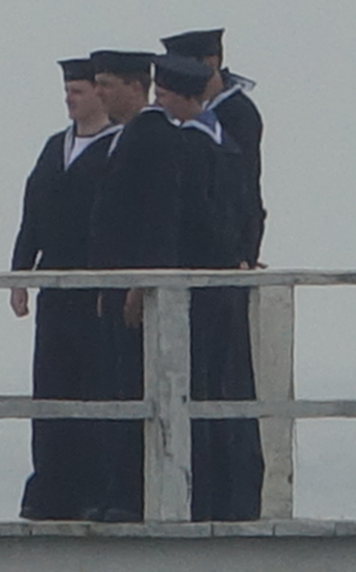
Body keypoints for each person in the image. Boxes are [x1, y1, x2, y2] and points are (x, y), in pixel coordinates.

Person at [153, 51, 264, 521]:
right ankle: (232, 498)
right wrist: (241, 253)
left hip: (198, 286)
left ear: (181, 98)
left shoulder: (187, 149)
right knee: (228, 388)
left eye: (162, 95)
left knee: (198, 387)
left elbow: (189, 218)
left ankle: (203, 496)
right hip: (227, 282)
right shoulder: (227, 145)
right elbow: (251, 208)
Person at [9, 56, 121, 521]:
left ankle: (93, 486)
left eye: (79, 90)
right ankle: (49, 486)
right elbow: (32, 211)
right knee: (51, 385)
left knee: (94, 385)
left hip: (94, 287)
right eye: (67, 91)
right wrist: (20, 273)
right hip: (54, 285)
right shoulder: (56, 146)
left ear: (99, 93)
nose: (70, 99)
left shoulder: (118, 145)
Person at [84, 48, 176, 523]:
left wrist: (141, 283)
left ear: (135, 87)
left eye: (106, 83)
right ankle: (117, 488)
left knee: (134, 387)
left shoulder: (154, 136)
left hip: (137, 287)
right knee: (116, 388)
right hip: (116, 281)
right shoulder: (124, 137)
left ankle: (133, 494)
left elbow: (157, 216)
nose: (98, 92)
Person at [160, 28, 265, 267]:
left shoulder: (236, 113)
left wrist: (243, 251)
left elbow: (242, 185)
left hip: (227, 244)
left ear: (210, 62)